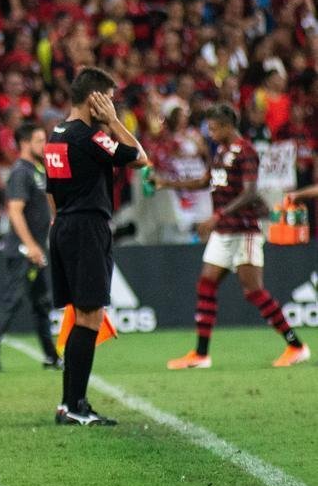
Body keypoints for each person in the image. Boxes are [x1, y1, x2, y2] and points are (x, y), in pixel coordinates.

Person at [158, 105, 309, 369]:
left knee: (253, 291)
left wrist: (218, 215)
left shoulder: (246, 151)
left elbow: (250, 192)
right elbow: (207, 180)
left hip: (243, 230)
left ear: (228, 126)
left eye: (215, 129)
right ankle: (201, 354)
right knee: (206, 284)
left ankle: (296, 346)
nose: (211, 133)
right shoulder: (221, 151)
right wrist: (168, 183)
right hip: (224, 230)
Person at [45, 67, 148, 426]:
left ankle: (67, 403)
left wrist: (61, 224)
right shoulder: (87, 137)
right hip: (87, 227)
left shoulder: (56, 135)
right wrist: (115, 122)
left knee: (80, 316)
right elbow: (139, 156)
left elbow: (50, 193)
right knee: (89, 317)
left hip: (64, 226)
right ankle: (75, 406)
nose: (113, 104)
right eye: (110, 98)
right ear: (96, 99)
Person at [0, 123, 61, 373]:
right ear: (24, 143)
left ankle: (50, 356)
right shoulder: (21, 172)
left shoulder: (37, 170)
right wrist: (31, 245)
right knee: (11, 301)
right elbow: (14, 211)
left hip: (35, 250)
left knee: (40, 303)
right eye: (38, 141)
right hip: (23, 250)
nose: (43, 146)